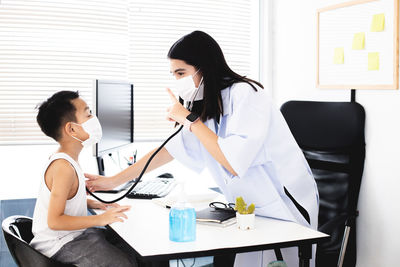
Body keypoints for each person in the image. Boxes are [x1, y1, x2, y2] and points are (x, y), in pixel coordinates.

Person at [86, 31, 319, 267]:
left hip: (284, 206)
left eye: (181, 73)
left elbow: (233, 162)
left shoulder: (247, 94)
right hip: (250, 209)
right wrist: (112, 181)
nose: (178, 81)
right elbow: (169, 150)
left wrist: (189, 119)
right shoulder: (207, 102)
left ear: (204, 68)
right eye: (174, 74)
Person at [31, 91, 137, 267]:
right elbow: (55, 221)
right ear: (71, 129)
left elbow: (65, 200)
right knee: (124, 264)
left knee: (131, 247)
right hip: (60, 244)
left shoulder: (68, 159)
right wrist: (100, 219)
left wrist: (93, 204)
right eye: (88, 114)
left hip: (72, 235)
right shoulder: (63, 168)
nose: (94, 118)